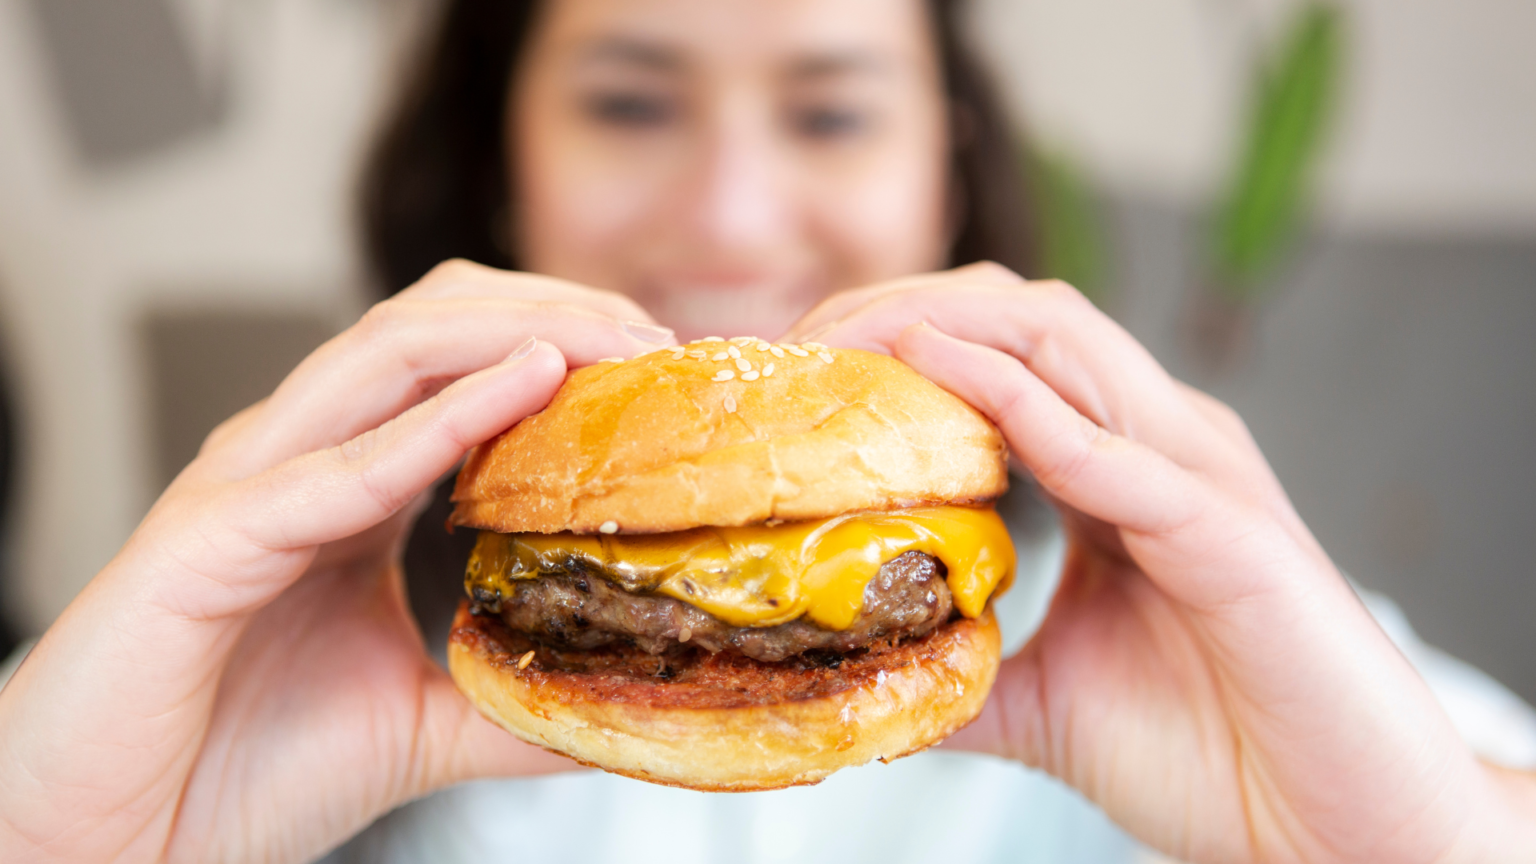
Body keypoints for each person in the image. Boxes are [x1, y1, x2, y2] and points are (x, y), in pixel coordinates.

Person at [0, 0, 1533, 861]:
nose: (731, 217)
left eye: (830, 111)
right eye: (631, 102)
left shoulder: (1262, 672)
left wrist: (1430, 847)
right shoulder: (232, 694)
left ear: (950, 165)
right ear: (493, 160)